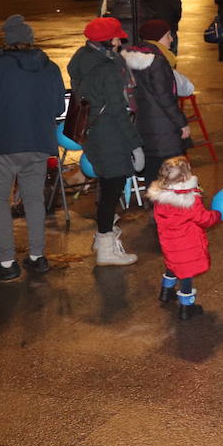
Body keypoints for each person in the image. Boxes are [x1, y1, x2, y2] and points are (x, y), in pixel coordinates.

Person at [0, 15, 66, 285]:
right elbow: (59, 108)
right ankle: (37, 257)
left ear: (7, 41)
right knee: (34, 199)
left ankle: (7, 263)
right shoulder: (50, 67)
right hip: (37, 145)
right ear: (31, 40)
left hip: (1, 146)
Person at [68, 17, 145, 267]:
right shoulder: (107, 68)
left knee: (106, 188)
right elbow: (117, 110)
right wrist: (135, 144)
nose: (120, 40)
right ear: (109, 40)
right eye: (117, 36)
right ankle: (105, 246)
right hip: (110, 135)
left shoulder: (82, 60)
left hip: (93, 134)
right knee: (112, 190)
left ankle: (104, 239)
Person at [147, 156, 222, 319]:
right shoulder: (189, 200)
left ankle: (166, 291)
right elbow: (204, 219)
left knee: (173, 262)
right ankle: (186, 307)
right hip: (188, 243)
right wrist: (217, 215)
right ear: (185, 177)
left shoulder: (160, 198)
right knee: (186, 272)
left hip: (168, 242)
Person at [122, 20, 190, 186]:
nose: (171, 40)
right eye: (168, 36)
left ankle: (154, 207)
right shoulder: (157, 62)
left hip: (142, 125)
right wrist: (182, 123)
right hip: (163, 128)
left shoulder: (130, 58)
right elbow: (165, 97)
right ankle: (170, 210)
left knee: (152, 171)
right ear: (158, 38)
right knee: (172, 173)